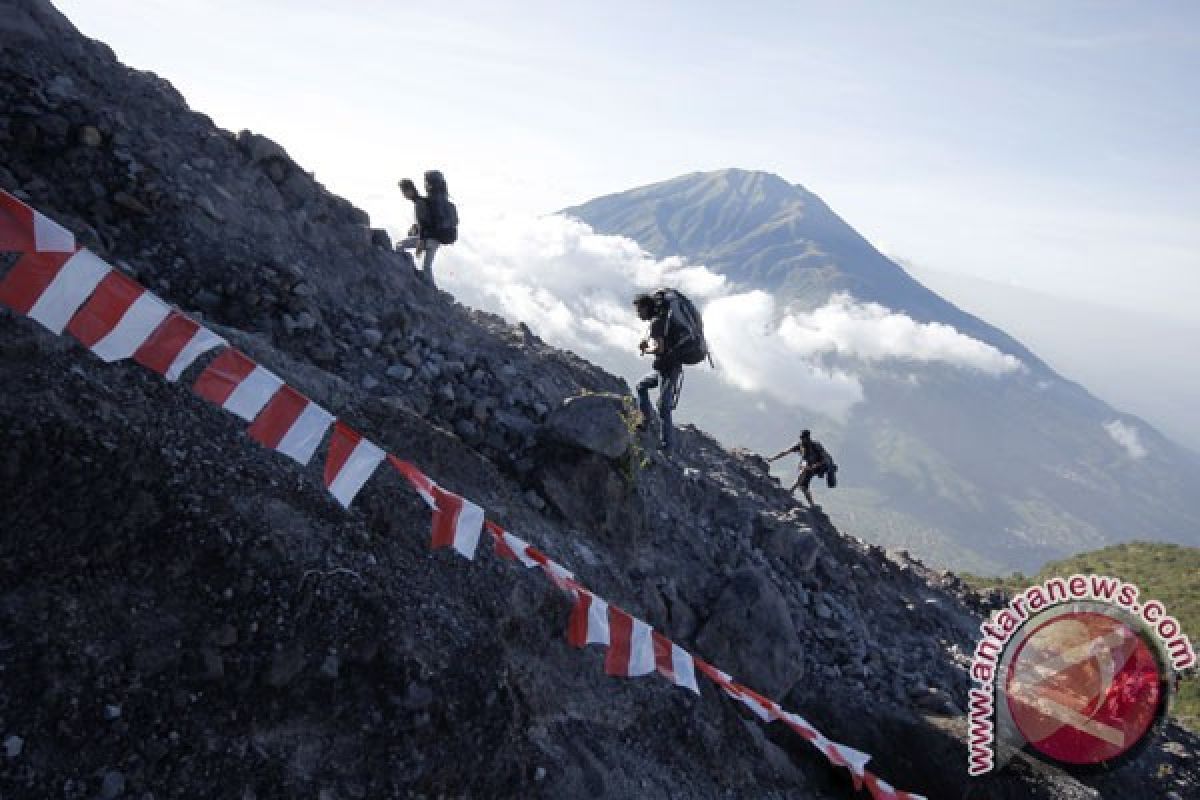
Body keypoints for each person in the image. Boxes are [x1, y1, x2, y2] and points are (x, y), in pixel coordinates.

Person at [634, 292, 685, 453]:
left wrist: (646, 349)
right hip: (666, 367)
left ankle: (667, 448)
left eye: (639, 310)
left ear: (646, 307)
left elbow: (660, 348)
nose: (638, 314)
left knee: (664, 407)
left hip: (668, 369)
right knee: (641, 386)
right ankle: (645, 421)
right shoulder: (660, 320)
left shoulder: (657, 322)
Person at [768, 429, 831, 507]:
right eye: (801, 437)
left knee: (803, 471)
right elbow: (785, 452)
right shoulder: (800, 445)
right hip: (808, 466)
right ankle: (812, 505)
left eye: (803, 438)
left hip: (819, 467)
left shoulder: (815, 446)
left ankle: (791, 491)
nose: (801, 439)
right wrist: (772, 459)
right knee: (803, 487)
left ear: (808, 438)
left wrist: (813, 466)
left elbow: (824, 460)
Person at [396, 178, 438, 287]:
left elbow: (424, 224)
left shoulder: (419, 203)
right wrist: (415, 228)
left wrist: (420, 241)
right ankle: (432, 292)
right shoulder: (425, 201)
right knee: (427, 267)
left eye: (404, 191)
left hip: (427, 239)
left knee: (399, 245)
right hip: (436, 240)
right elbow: (427, 222)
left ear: (410, 190)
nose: (404, 195)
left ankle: (405, 273)